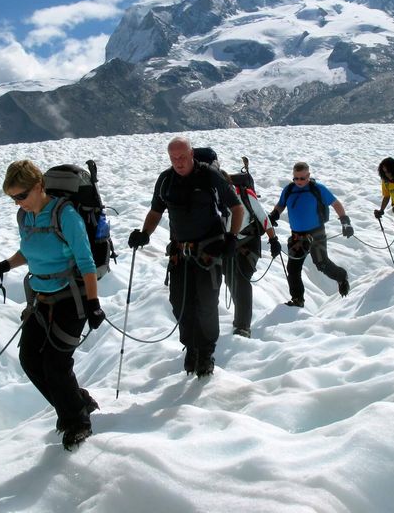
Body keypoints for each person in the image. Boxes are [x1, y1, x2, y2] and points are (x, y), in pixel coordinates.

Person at [0, 159, 105, 451]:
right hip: (40, 297)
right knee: (31, 360)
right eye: (13, 198)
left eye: (21, 196)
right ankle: (76, 403)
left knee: (55, 364)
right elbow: (29, 250)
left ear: (39, 186)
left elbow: (85, 261)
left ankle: (77, 421)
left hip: (70, 297)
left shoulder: (66, 216)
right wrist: (4, 265)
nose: (18, 203)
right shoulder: (26, 218)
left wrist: (93, 302)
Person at [127, 137, 244, 377]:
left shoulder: (210, 176)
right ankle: (191, 346)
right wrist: (144, 234)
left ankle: (206, 352)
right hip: (180, 253)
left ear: (191, 154)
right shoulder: (166, 180)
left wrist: (232, 237)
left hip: (209, 252)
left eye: (182, 157)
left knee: (206, 304)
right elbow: (156, 211)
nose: (178, 162)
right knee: (180, 302)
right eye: (173, 158)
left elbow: (237, 207)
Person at [269, 161, 352, 308]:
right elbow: (281, 204)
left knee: (321, 264)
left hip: (316, 232)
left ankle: (341, 277)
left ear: (308, 176)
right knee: (293, 268)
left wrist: (345, 221)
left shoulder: (317, 189)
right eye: (296, 178)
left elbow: (336, 204)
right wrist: (275, 214)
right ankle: (297, 299)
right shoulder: (289, 190)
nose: (299, 181)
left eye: (302, 178)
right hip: (297, 235)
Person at [220, 170, 283, 339]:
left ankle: (243, 326)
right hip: (227, 245)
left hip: (249, 244)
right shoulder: (214, 198)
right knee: (230, 280)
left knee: (241, 280)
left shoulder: (245, 195)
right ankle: (240, 319)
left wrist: (273, 240)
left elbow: (263, 218)